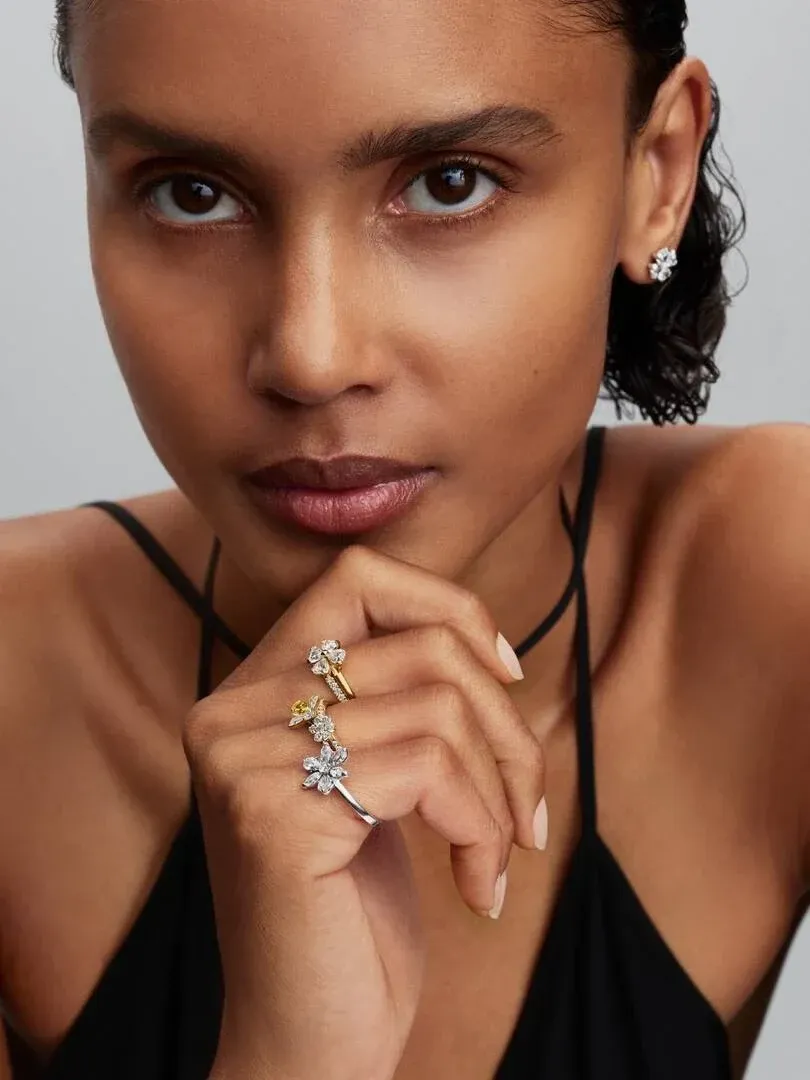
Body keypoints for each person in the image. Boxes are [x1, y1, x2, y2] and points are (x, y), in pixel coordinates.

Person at [2, 0, 808, 1077]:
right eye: (191, 195)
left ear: (655, 172)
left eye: (449, 182)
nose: (311, 353)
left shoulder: (777, 588)